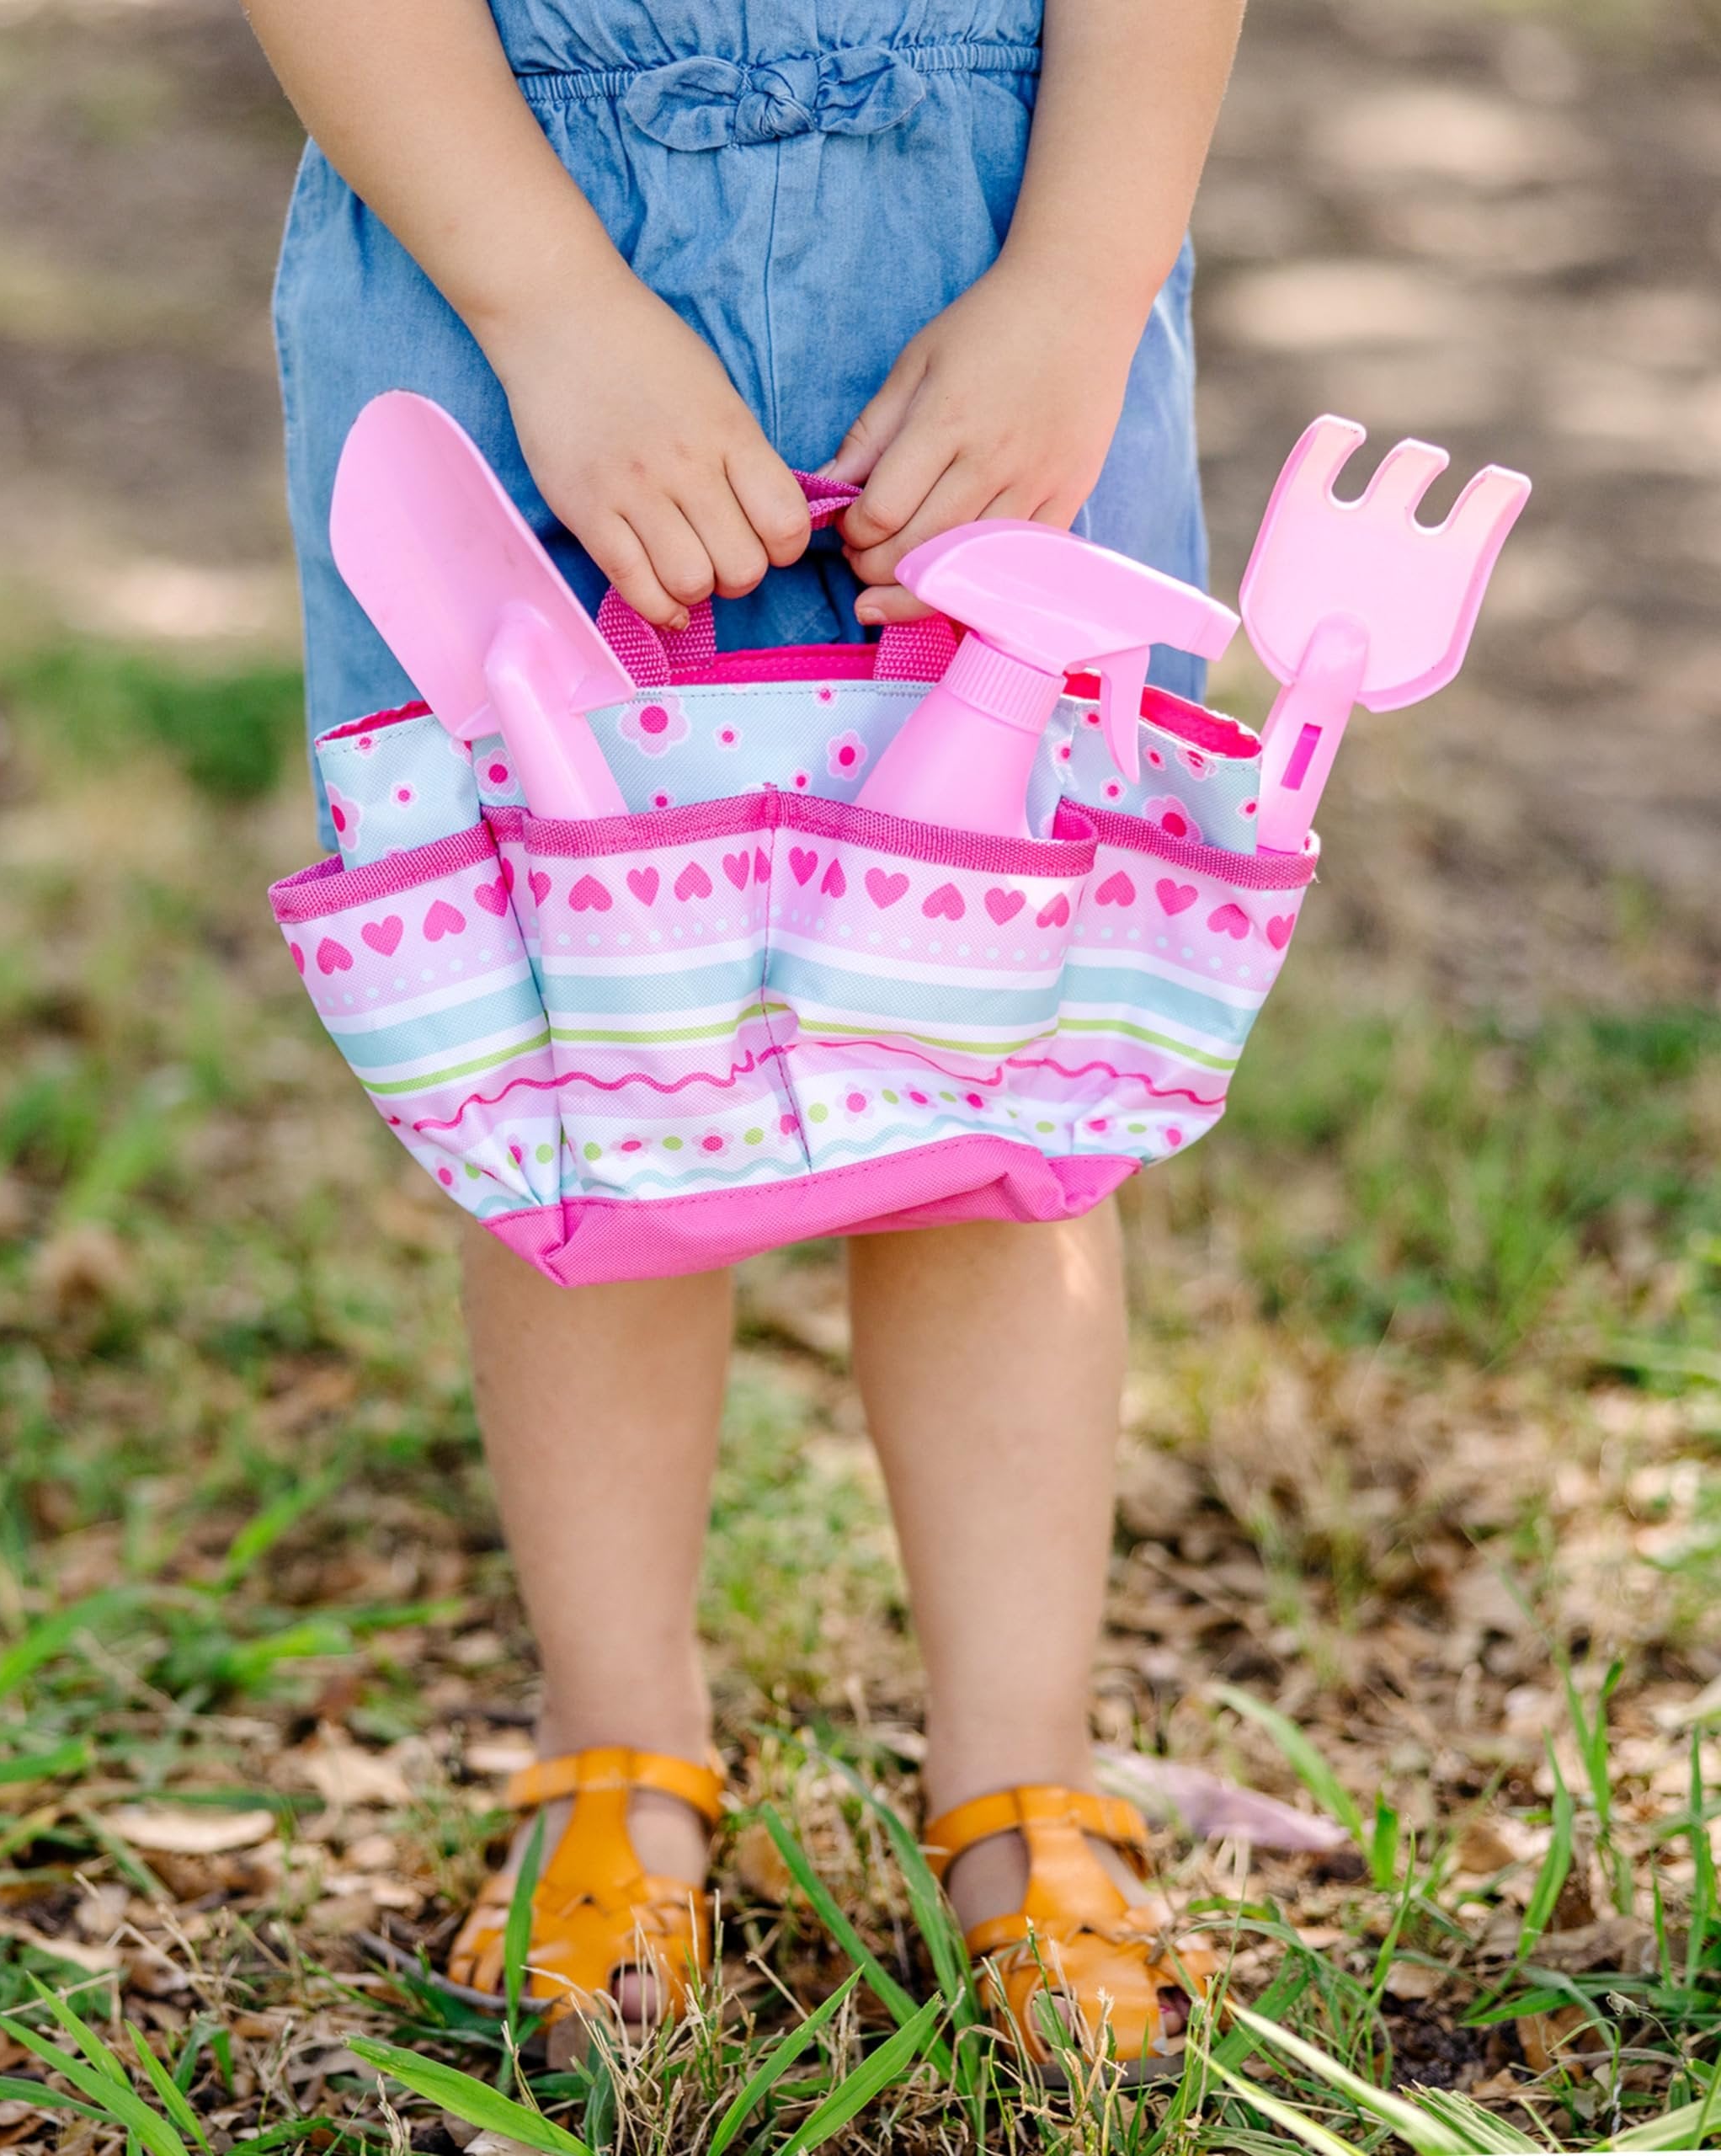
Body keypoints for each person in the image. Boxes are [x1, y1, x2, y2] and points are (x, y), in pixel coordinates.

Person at [244, 0, 1244, 2072]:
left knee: (994, 1080)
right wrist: (552, 310)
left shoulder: (1046, 279)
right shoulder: (522, 295)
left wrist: (1079, 281)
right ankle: (616, 1746)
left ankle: (1019, 1777)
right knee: (599, 1083)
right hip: (511, 264)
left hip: (994, 265)